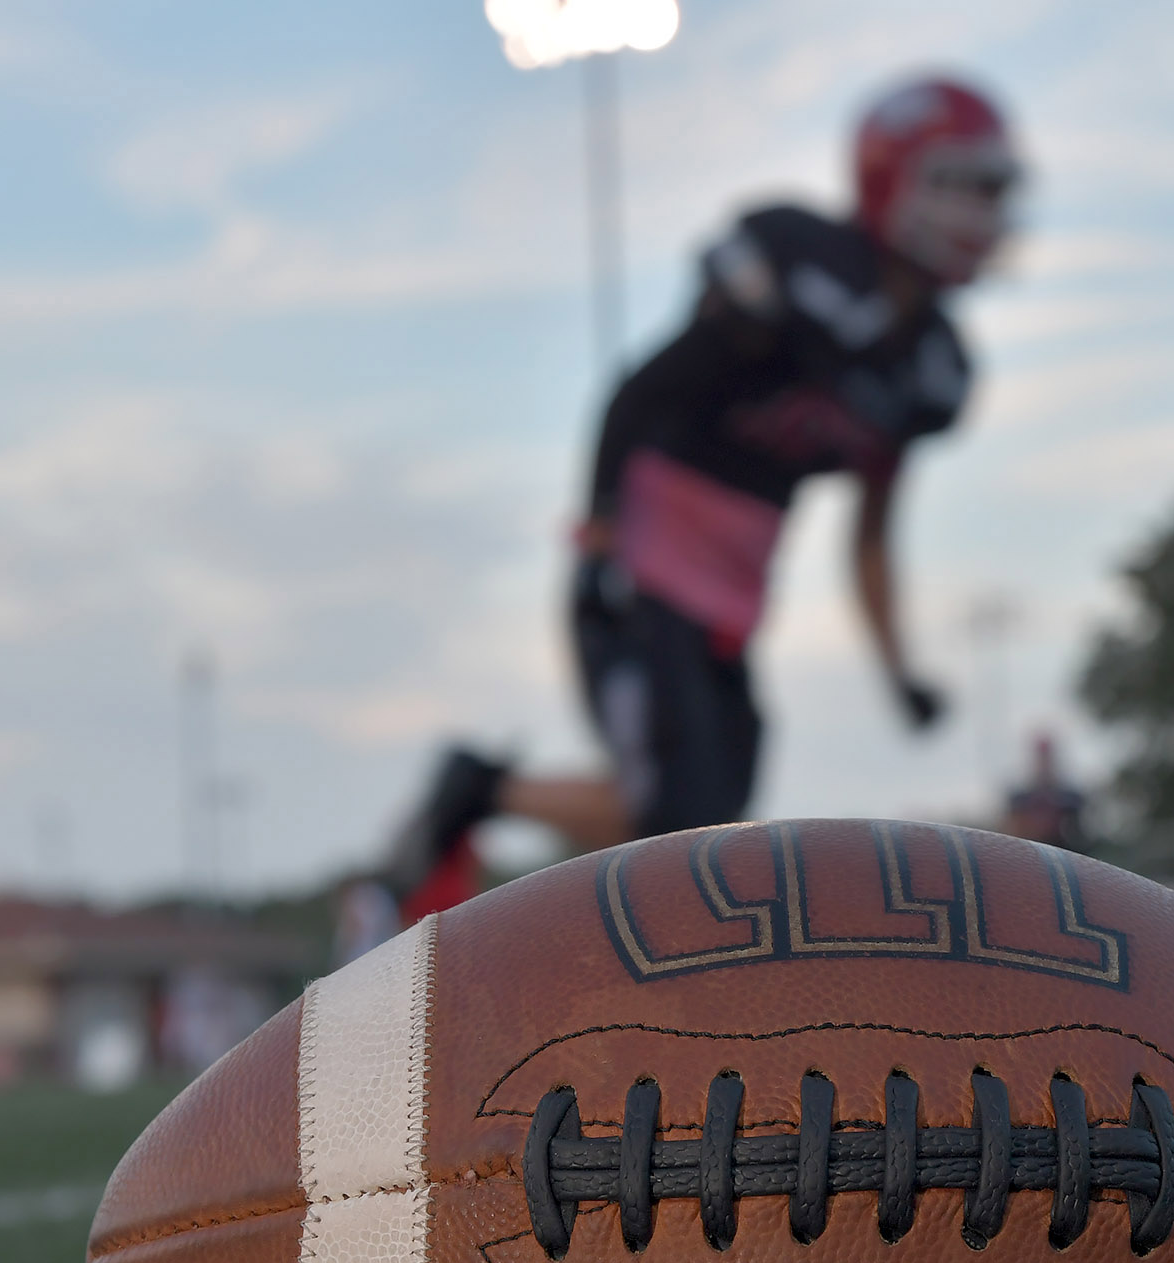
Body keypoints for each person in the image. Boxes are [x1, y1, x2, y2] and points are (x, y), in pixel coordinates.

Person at [377, 76, 1023, 924]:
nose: (988, 211)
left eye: (997, 189)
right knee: (678, 827)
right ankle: (501, 829)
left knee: (708, 828)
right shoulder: (801, 262)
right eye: (969, 186)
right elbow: (643, 389)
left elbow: (872, 534)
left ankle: (484, 789)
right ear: (898, 178)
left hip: (730, 601)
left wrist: (897, 669)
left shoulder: (931, 368)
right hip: (646, 567)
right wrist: (603, 534)